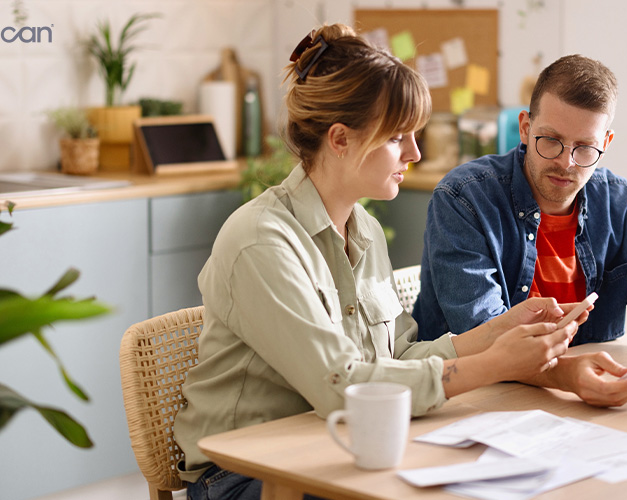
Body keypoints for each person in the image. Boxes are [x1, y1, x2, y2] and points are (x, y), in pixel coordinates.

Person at [173, 25, 590, 500]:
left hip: (336, 443)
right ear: (340, 139)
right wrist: (495, 364)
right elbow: (343, 387)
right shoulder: (260, 241)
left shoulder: (365, 229)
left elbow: (393, 361)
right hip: (244, 476)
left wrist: (495, 332)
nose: (414, 153)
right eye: (398, 137)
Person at [412, 54, 627, 407]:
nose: (565, 162)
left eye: (585, 147)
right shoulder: (464, 198)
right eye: (550, 140)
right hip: (467, 400)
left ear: (606, 143)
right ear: (525, 128)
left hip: (577, 400)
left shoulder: (624, 206)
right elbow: (482, 336)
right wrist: (567, 375)